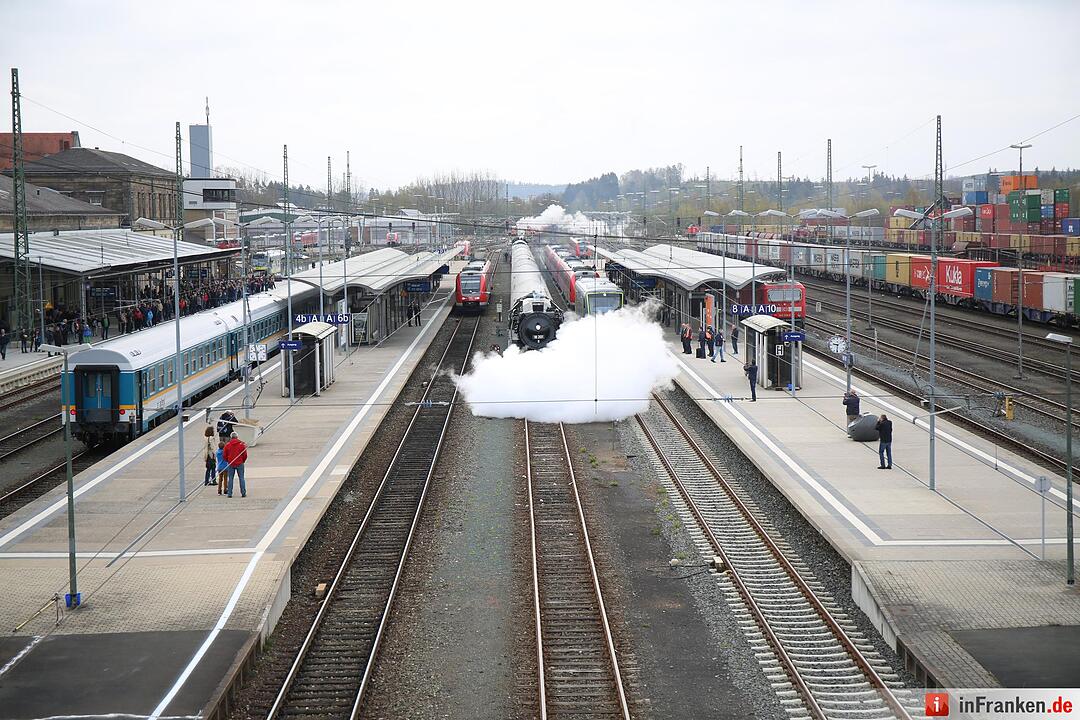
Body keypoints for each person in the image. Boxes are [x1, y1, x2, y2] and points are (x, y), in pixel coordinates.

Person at [224, 432, 248, 498]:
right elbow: (245, 454)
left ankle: (229, 493)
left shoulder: (227, 445)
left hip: (231, 463)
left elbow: (224, 455)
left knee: (230, 478)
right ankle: (243, 493)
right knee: (241, 478)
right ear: (237, 437)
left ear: (231, 437)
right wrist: (243, 460)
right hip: (240, 462)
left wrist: (228, 460)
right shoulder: (241, 445)